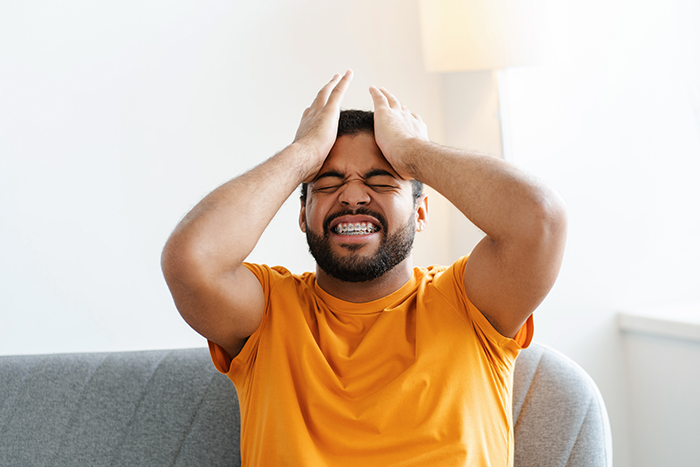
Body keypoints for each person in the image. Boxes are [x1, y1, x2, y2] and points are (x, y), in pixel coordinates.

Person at [161, 70, 567, 466]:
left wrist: (412, 152)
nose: (353, 195)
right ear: (303, 214)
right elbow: (191, 260)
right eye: (327, 183)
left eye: (380, 181)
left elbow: (540, 220)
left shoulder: (472, 302)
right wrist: (303, 154)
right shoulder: (266, 313)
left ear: (421, 211)